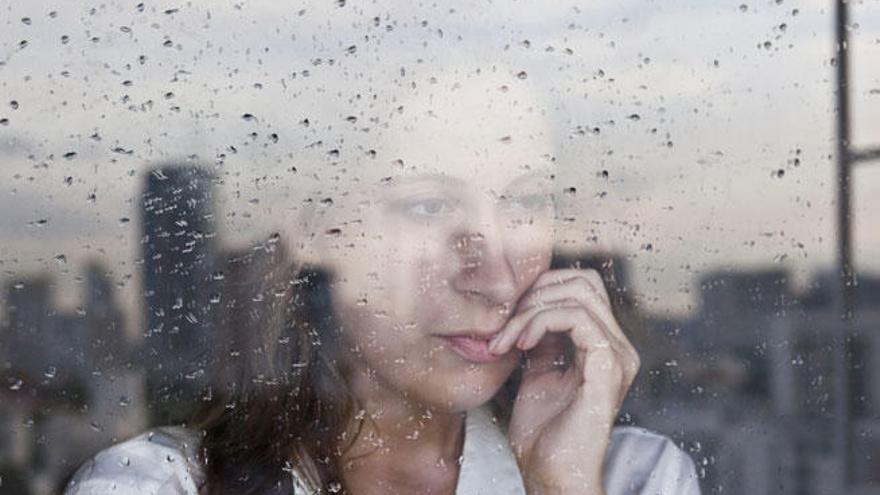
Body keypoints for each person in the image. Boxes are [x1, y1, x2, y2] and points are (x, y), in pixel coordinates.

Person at [64, 61, 701, 494]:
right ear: (318, 229)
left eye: (526, 203)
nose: (497, 278)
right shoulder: (154, 484)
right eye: (428, 206)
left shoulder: (626, 477)